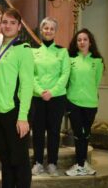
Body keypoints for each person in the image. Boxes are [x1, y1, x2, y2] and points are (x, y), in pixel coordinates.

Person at [0, 8, 34, 187]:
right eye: (5, 22)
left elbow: (27, 85)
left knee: (20, 161)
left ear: (19, 27)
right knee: (5, 160)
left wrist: (23, 116)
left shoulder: (23, 49)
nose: (7, 25)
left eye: (12, 23)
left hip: (15, 112)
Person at [31, 17, 70, 176]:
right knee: (38, 132)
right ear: (41, 31)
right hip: (37, 97)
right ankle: (38, 162)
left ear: (55, 31)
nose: (48, 31)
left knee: (54, 132)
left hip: (57, 98)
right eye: (45, 28)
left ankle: (52, 163)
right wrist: (41, 91)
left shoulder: (62, 51)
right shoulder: (33, 52)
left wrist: (52, 92)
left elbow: (65, 74)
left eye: (51, 29)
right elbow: (30, 74)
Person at [65, 28, 104, 176]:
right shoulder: (70, 59)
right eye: (79, 40)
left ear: (90, 42)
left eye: (85, 39)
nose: (82, 42)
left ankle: (82, 163)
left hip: (91, 103)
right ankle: (80, 164)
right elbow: (67, 81)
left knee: (86, 134)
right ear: (76, 43)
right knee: (78, 134)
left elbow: (96, 81)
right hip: (73, 102)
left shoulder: (97, 61)